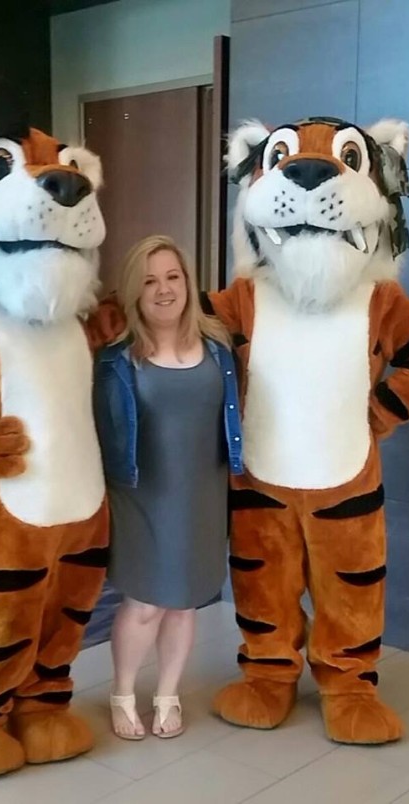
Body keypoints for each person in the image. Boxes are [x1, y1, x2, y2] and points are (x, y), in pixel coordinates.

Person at [93, 235, 243, 740]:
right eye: (150, 281)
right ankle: (121, 693)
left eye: (173, 277)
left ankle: (168, 696)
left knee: (183, 603)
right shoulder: (118, 359)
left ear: (188, 283)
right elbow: (100, 430)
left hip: (202, 495)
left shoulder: (219, 349)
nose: (163, 290)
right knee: (144, 604)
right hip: (141, 496)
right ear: (135, 292)